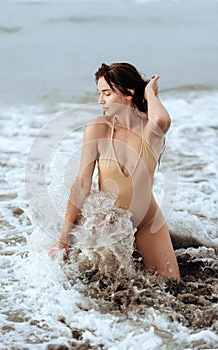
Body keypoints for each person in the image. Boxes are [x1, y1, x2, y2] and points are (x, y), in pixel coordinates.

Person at [50, 62, 180, 281]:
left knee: (171, 286)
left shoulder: (150, 129)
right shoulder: (98, 128)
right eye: (99, 93)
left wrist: (149, 93)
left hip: (147, 220)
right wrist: (64, 238)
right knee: (106, 291)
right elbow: (82, 183)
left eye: (107, 93)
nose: (101, 100)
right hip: (109, 223)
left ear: (128, 93)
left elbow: (162, 119)